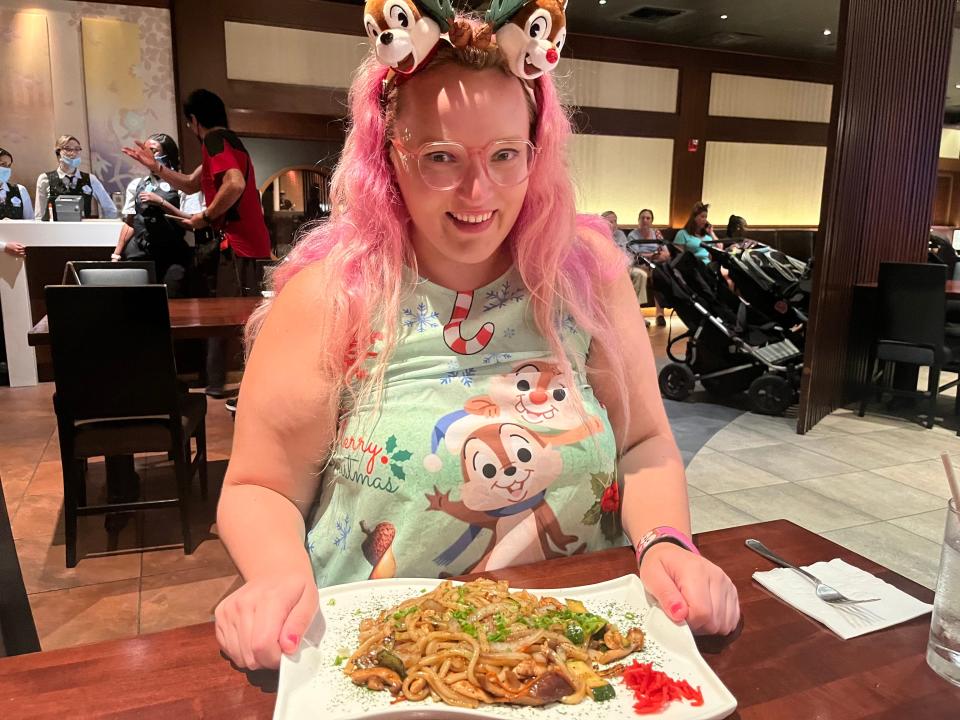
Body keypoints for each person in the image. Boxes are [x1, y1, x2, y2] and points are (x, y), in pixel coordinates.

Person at [211, 9, 739, 671]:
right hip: (376, 668)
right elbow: (263, 486)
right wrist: (272, 579)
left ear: (535, 151)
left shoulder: (585, 282)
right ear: (388, 155)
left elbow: (644, 444)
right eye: (440, 158)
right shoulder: (329, 298)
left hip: (574, 661)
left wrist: (666, 544)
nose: (477, 192)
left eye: (504, 156)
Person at [122, 89, 272, 397]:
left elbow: (234, 183)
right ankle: (226, 383)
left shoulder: (216, 141)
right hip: (245, 242)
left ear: (193, 120)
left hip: (240, 244)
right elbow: (191, 182)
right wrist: (157, 168)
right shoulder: (225, 142)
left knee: (236, 314)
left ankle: (242, 385)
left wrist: (205, 215)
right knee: (237, 313)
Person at [113, 133, 194, 297]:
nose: (148, 155)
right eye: (146, 151)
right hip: (139, 252)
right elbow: (130, 223)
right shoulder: (137, 185)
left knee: (173, 299)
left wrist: (162, 203)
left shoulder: (183, 185)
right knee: (138, 303)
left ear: (168, 154)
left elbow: (191, 222)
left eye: (153, 151)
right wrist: (116, 254)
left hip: (172, 253)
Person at [35, 135, 117, 220]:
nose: (73, 153)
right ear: (58, 153)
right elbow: (39, 215)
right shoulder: (45, 179)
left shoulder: (90, 179)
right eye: (68, 149)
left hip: (83, 230)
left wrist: (102, 228)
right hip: (57, 230)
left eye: (77, 149)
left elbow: (110, 210)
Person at [626, 208, 667, 327]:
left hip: (655, 265)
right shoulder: (633, 235)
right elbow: (636, 255)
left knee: (661, 275)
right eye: (642, 218)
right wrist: (654, 254)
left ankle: (660, 314)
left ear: (652, 221)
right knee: (641, 275)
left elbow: (666, 253)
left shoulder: (657, 234)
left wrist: (654, 256)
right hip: (639, 264)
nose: (645, 220)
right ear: (638, 220)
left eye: (648, 218)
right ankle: (638, 316)